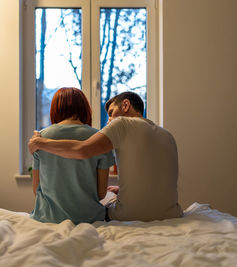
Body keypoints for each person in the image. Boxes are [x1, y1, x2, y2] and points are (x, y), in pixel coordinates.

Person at [29, 91, 183, 222]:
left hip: (129, 216)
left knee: (106, 202)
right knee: (109, 193)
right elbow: (157, 175)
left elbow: (82, 150)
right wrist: (122, 189)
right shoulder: (167, 135)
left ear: (125, 105)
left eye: (111, 113)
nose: (109, 120)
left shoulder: (122, 124)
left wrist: (40, 142)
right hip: (172, 215)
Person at [31, 87, 115, 224]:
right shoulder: (99, 139)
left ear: (55, 109)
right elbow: (101, 193)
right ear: (84, 108)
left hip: (48, 218)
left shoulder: (39, 139)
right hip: (89, 219)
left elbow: (36, 190)